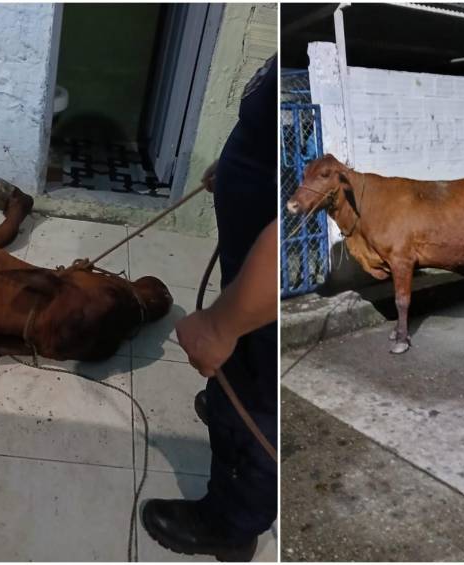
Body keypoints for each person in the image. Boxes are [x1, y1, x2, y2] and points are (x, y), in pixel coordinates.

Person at [141, 54, 278, 562]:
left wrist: (221, 325)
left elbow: (299, 229)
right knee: (242, 372)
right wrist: (241, 158)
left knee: (258, 398)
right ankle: (227, 404)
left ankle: (231, 523)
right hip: (249, 262)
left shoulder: (322, 34)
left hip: (267, 305)